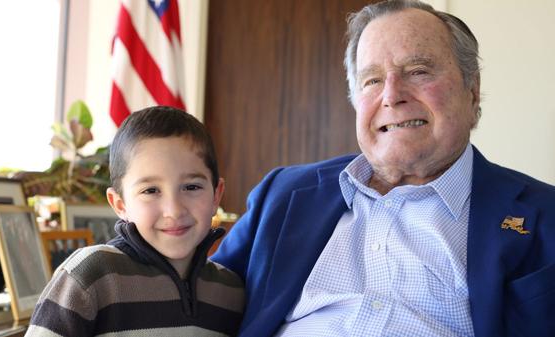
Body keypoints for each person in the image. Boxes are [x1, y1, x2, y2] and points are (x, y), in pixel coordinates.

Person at [211, 1, 555, 336]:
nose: (391, 96)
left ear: (473, 91)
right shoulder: (284, 192)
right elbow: (201, 295)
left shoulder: (543, 214)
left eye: (418, 71)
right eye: (372, 80)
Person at [27, 106, 244, 336]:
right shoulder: (91, 275)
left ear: (216, 195)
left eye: (191, 187)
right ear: (120, 204)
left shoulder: (232, 292)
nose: (174, 210)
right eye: (150, 190)